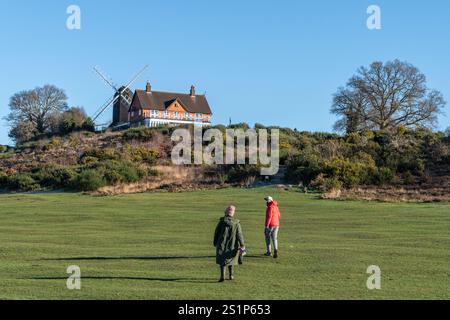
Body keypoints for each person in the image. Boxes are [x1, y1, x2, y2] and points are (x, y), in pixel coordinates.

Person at [213, 205, 245, 282]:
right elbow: (239, 234)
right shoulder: (237, 223)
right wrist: (242, 244)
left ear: (226, 212)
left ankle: (222, 276)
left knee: (222, 259)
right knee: (231, 259)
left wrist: (215, 242)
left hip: (221, 243)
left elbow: (216, 232)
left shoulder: (222, 222)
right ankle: (231, 275)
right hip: (233, 244)